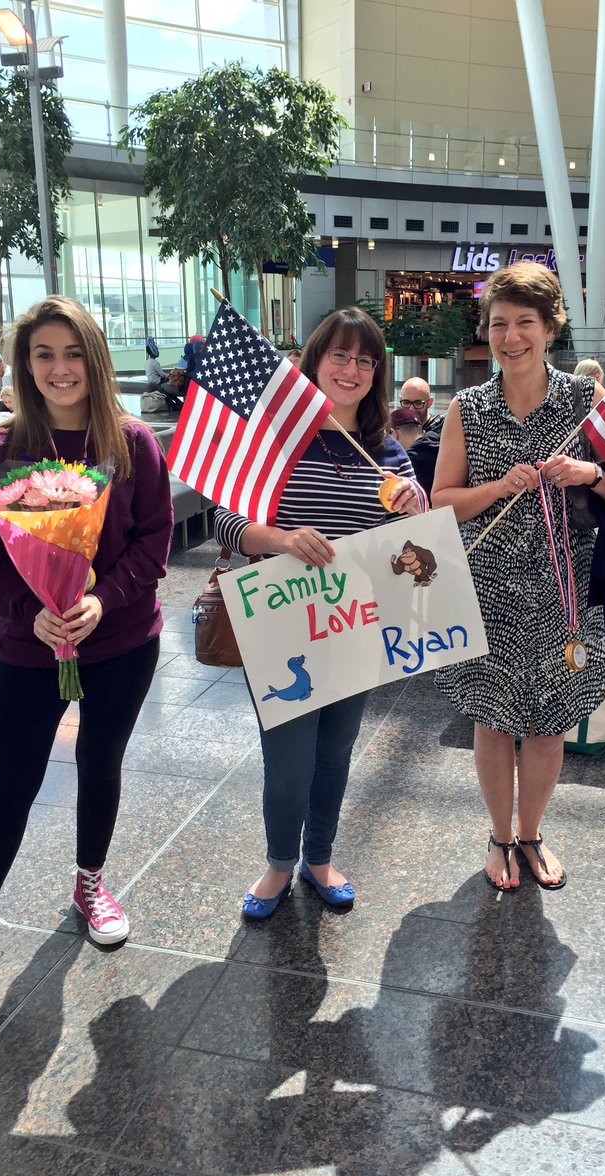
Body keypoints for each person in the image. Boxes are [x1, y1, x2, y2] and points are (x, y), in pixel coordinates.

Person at [0, 296, 174, 974]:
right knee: (11, 780)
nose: (61, 368)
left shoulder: (129, 442)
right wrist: (30, 613)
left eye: (74, 352)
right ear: (26, 365)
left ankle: (90, 883)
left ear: (95, 358)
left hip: (120, 642)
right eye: (45, 354)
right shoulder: (2, 448)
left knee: (99, 764)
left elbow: (154, 541)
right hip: (29, 647)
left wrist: (100, 601)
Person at [213, 307, 426, 920]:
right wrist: (279, 539)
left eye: (365, 359)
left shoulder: (387, 450)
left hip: (353, 624)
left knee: (335, 752)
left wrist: (415, 508)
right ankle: (280, 861)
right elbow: (227, 520)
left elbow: (409, 544)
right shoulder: (276, 439)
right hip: (280, 623)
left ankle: (320, 856)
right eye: (340, 354)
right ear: (313, 361)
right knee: (287, 756)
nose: (351, 369)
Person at [432, 262, 605, 893]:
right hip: (487, 589)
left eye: (525, 323)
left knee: (549, 725)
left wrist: (586, 473)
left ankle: (531, 833)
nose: (511, 337)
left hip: (565, 588)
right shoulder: (468, 407)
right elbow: (440, 501)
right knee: (493, 720)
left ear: (550, 326)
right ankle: (499, 835)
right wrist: (500, 486)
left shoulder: (584, 403)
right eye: (499, 323)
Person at [398, 378, 444, 494]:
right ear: (400, 400)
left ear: (429, 402)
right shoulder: (393, 427)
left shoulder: (443, 428)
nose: (411, 409)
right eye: (406, 403)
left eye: (418, 403)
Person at [144, 336, 182, 412]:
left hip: (151, 383)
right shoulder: (155, 363)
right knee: (168, 389)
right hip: (157, 383)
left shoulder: (147, 362)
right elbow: (162, 375)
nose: (159, 352)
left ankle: (178, 404)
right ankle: (175, 405)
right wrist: (171, 374)